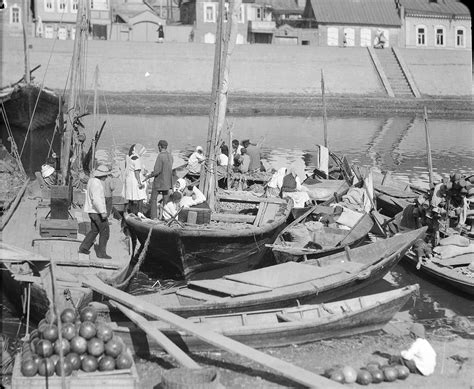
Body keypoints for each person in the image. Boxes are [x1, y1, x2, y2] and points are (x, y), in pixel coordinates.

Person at [78, 165, 111, 259]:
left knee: (94, 230)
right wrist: (103, 212)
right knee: (105, 232)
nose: (107, 177)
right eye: (106, 176)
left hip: (91, 211)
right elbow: (96, 200)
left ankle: (83, 248)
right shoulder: (97, 184)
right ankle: (101, 253)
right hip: (97, 212)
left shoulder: (91, 181)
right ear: (103, 176)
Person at [144, 140, 174, 220]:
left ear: (160, 146)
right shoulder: (170, 156)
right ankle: (165, 217)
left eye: (158, 147)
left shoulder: (160, 156)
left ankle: (154, 217)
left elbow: (157, 171)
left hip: (159, 182)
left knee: (153, 199)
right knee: (166, 200)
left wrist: (149, 176)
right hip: (167, 183)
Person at [124, 144, 147, 215]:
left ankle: (129, 211)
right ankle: (140, 212)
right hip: (134, 179)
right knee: (141, 196)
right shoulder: (137, 159)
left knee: (131, 196)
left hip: (129, 179)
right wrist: (140, 182)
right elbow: (136, 172)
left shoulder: (129, 157)